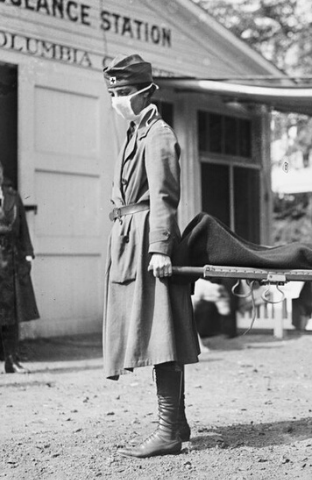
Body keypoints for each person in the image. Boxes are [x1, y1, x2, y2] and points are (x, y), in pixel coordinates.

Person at [102, 54, 200, 458]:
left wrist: (160, 248)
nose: (117, 99)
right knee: (156, 332)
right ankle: (176, 423)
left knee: (162, 335)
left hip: (148, 242)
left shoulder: (157, 133)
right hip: (130, 240)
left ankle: (167, 433)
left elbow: (164, 196)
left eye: (123, 92)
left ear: (145, 92)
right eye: (112, 93)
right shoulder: (135, 132)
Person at [0, 153, 40, 376]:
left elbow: (22, 228)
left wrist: (28, 253)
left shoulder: (12, 196)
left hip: (11, 258)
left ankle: (11, 361)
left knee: (11, 311)